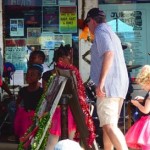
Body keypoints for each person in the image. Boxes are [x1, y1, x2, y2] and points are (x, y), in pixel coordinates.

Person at [84, 8, 129, 150]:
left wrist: (101, 83)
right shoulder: (111, 33)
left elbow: (109, 53)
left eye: (87, 23)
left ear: (92, 20)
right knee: (108, 125)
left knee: (109, 126)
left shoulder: (100, 31)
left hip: (108, 86)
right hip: (119, 85)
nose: (88, 27)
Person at [42, 44, 76, 150]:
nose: (71, 61)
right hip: (55, 110)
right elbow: (46, 94)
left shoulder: (70, 72)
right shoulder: (64, 74)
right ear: (61, 59)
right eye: (69, 58)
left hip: (65, 109)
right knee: (55, 140)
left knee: (59, 140)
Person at [14, 64, 43, 138]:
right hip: (24, 119)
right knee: (24, 138)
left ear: (39, 77)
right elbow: (18, 103)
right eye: (27, 74)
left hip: (36, 119)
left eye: (32, 74)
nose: (28, 76)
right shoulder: (23, 90)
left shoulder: (41, 91)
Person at [125, 65, 150, 150]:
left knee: (146, 144)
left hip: (147, 122)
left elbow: (146, 110)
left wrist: (137, 104)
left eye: (143, 85)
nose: (142, 88)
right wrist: (143, 100)